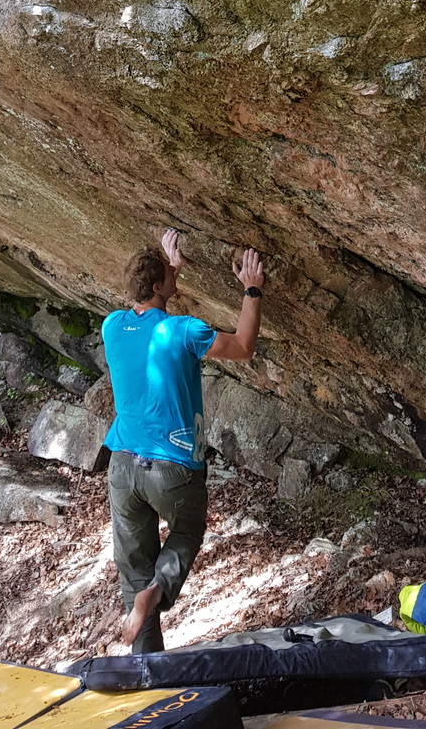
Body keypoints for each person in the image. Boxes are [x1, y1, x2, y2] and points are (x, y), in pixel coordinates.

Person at [101, 228, 264, 652]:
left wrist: (169, 267)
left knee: (134, 571)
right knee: (187, 530)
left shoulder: (112, 326)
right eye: (169, 275)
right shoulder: (183, 331)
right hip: (171, 468)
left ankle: (146, 667)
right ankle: (159, 588)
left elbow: (148, 304)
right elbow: (243, 346)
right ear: (158, 287)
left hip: (122, 465)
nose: (175, 276)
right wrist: (251, 289)